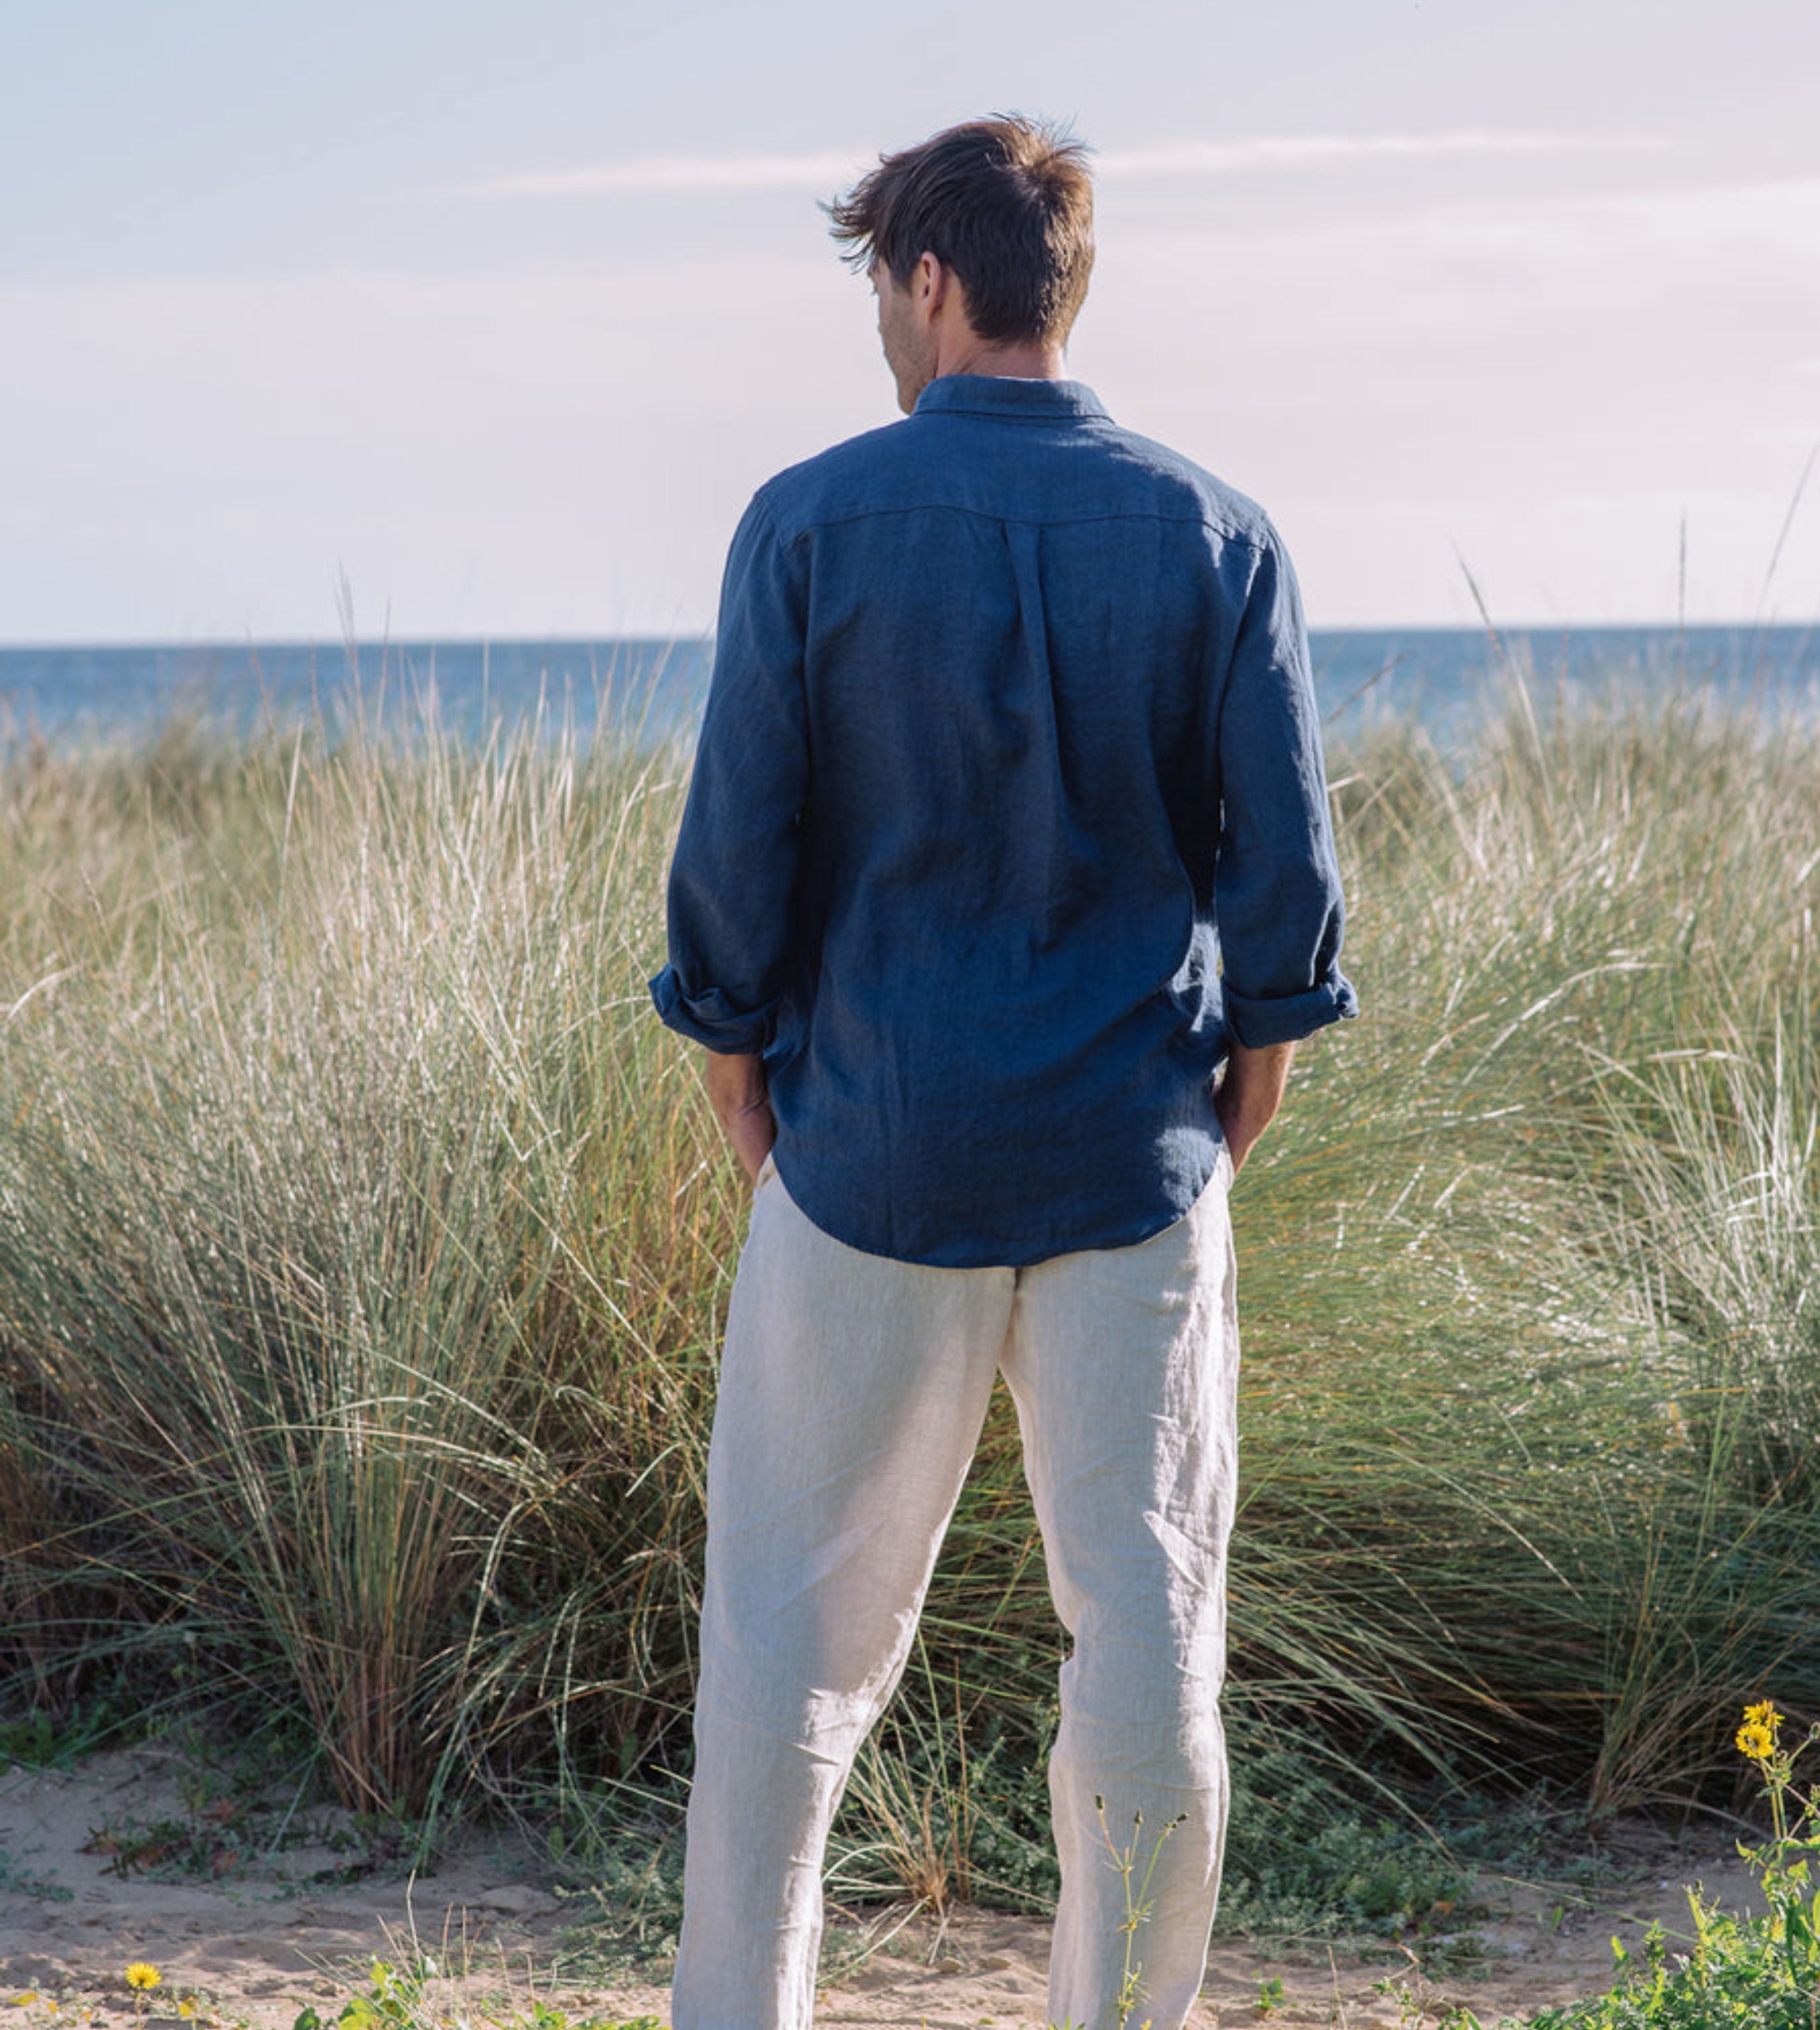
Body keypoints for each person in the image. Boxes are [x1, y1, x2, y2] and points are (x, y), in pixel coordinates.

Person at [650, 115, 1355, 2030]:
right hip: (1129, 1158)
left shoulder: (806, 520)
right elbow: (1282, 880)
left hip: (865, 1151)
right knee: (1143, 1635)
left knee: (785, 1655)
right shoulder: (1216, 528)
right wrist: (1243, 1082)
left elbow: (736, 855)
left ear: (931, 282)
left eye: (882, 285)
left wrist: (737, 1067)